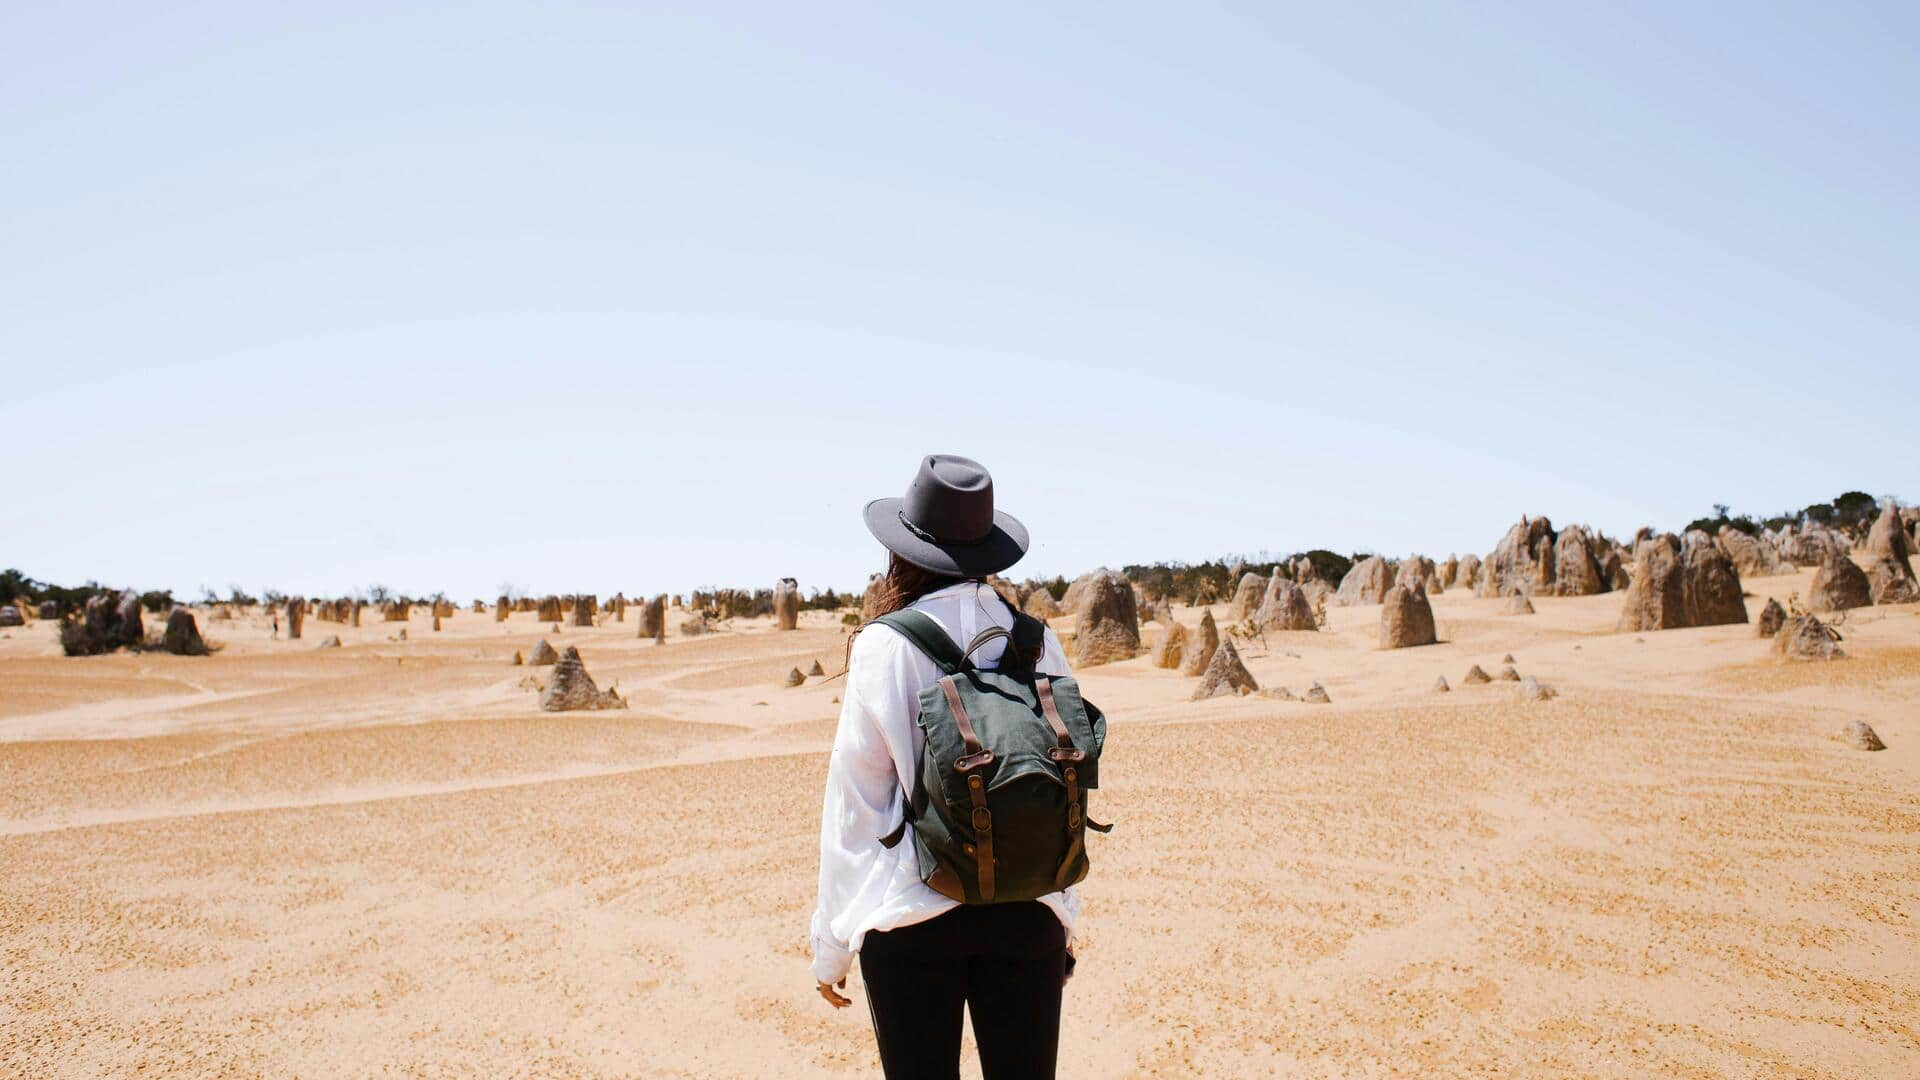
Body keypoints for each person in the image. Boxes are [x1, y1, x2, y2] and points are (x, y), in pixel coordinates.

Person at [811, 454, 1080, 1080]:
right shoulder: (1039, 640)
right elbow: (1066, 780)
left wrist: (830, 949)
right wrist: (1062, 912)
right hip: (1028, 908)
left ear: (902, 551)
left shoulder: (885, 644)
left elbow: (856, 803)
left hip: (913, 916)